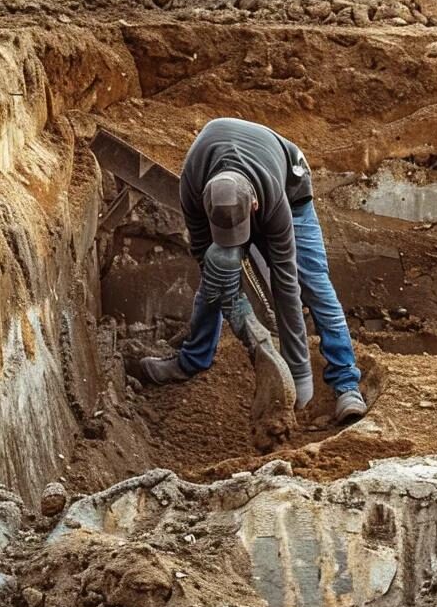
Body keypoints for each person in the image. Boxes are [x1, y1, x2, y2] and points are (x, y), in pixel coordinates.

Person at [139, 118, 367, 424]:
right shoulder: (192, 186)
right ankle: (191, 360)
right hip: (226, 159)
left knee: (313, 284)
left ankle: (346, 385)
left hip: (289, 184)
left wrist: (297, 379)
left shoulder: (273, 200)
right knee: (215, 274)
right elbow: (205, 259)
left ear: (255, 205)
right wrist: (240, 312)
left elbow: (286, 287)